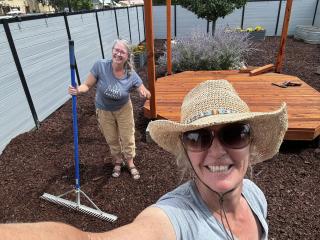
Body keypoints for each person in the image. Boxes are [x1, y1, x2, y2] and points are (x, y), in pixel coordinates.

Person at [0, 80, 288, 239]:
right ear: (185, 151)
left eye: (235, 133)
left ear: (251, 143)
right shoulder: (176, 218)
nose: (216, 151)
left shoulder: (255, 196)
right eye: (198, 137)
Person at [68, 39, 151, 180]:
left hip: (123, 109)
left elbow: (144, 90)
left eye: (122, 52)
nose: (118, 54)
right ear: (112, 50)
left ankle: (130, 163)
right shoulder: (100, 66)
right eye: (116, 50)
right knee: (112, 139)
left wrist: (144, 92)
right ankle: (118, 161)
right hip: (104, 110)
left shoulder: (131, 74)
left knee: (128, 137)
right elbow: (87, 85)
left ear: (127, 56)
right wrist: (77, 90)